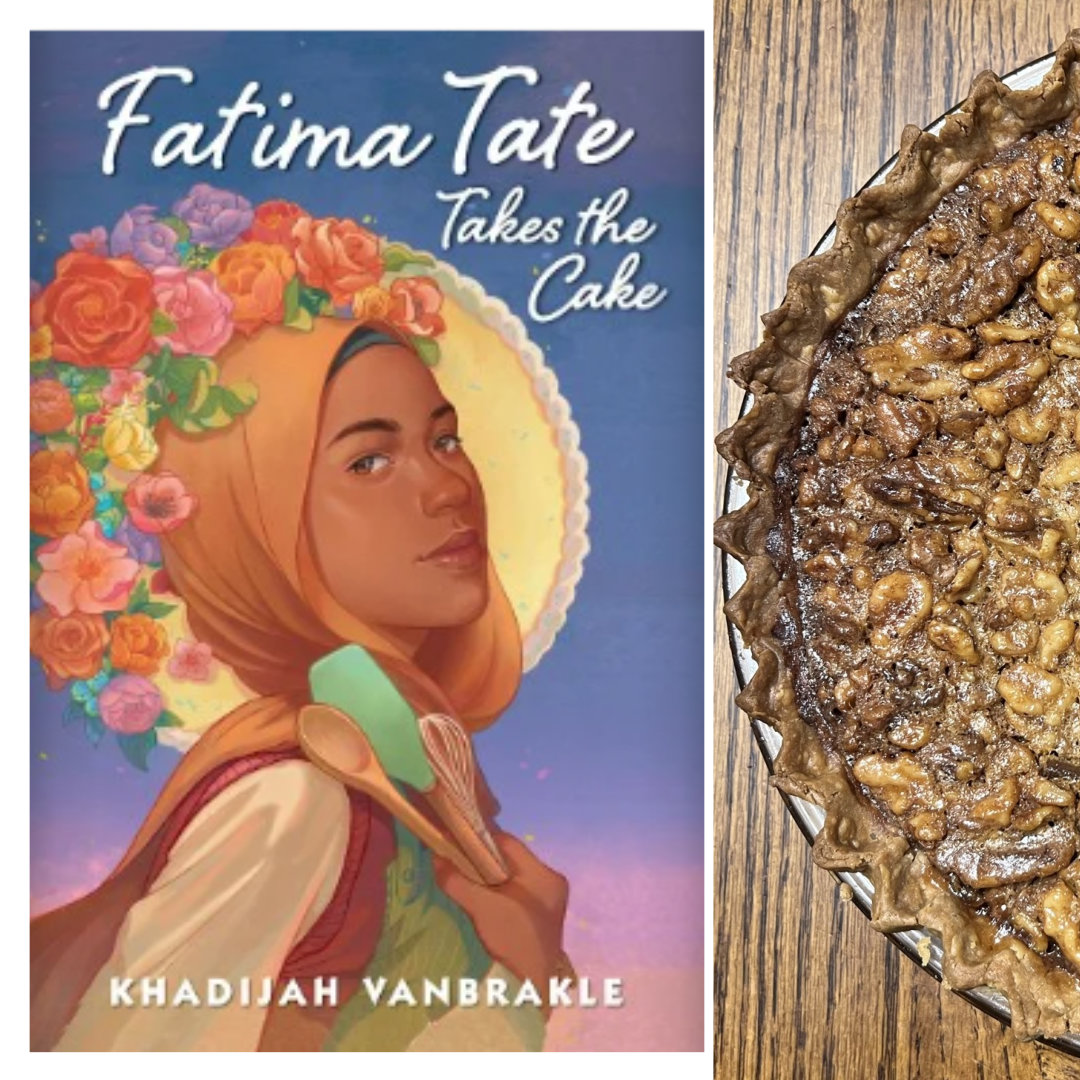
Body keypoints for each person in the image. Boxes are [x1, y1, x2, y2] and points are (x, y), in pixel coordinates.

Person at [30, 318, 570, 1051]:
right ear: (255, 526)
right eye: (368, 462)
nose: (448, 488)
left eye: (445, 441)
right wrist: (516, 982)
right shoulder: (288, 805)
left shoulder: (404, 756)